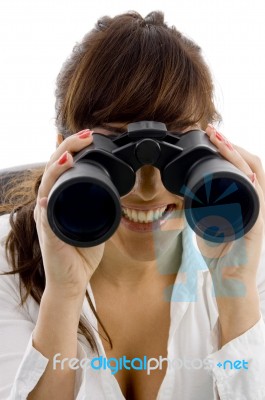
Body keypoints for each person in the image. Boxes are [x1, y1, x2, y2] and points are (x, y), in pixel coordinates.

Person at [0, 10, 265, 400]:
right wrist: (64, 293)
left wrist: (235, 288)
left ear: (210, 146)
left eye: (179, 149)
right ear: (64, 145)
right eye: (113, 150)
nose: (147, 188)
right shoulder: (7, 262)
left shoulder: (248, 256)